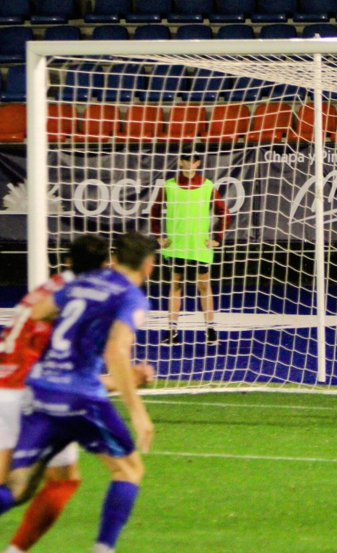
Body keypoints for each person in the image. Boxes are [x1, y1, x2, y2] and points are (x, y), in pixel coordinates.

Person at [0, 231, 157, 553]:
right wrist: (139, 414)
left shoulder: (78, 284)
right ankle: (103, 549)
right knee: (128, 469)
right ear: (149, 265)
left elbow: (39, 312)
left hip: (39, 391)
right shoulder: (130, 296)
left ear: (114, 259)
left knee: (18, 486)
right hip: (77, 397)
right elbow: (116, 350)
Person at [150, 150, 230, 346]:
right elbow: (154, 211)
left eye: (193, 160)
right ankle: (173, 332)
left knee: (204, 286)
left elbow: (224, 213)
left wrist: (217, 239)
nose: (190, 164)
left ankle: (210, 330)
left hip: (199, 248)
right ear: (180, 162)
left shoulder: (207, 186)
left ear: (198, 163)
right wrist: (159, 236)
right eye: (186, 159)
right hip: (177, 246)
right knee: (176, 286)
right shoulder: (169, 186)